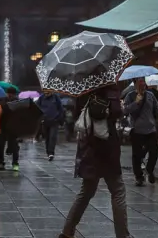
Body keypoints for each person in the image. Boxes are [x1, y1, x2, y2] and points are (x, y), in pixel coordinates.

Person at [59, 85, 131, 238]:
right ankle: (122, 235)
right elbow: (117, 112)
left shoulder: (83, 89)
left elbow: (78, 113)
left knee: (86, 192)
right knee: (118, 191)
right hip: (108, 148)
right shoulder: (110, 88)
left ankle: (67, 231)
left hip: (90, 147)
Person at [123, 78, 158, 186]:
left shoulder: (150, 95)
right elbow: (125, 111)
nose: (142, 84)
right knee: (137, 155)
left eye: (143, 81)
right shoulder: (130, 96)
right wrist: (136, 102)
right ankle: (138, 176)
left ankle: (149, 170)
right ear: (135, 83)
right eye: (140, 81)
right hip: (136, 130)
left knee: (154, 151)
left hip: (150, 129)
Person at [38, 89, 65, 161]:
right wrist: (40, 118)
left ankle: (51, 153)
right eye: (45, 92)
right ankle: (48, 152)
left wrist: (59, 118)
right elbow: (37, 108)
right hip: (45, 121)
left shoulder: (56, 98)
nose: (46, 93)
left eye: (48, 92)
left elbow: (61, 109)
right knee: (47, 138)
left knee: (52, 137)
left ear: (51, 91)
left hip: (54, 121)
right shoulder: (41, 98)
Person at [0, 87, 21, 171]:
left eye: (11, 94)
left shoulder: (18, 102)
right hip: (3, 125)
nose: (10, 95)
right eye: (9, 94)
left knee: (14, 146)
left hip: (13, 126)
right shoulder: (2, 100)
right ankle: (0, 162)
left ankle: (15, 163)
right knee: (0, 145)